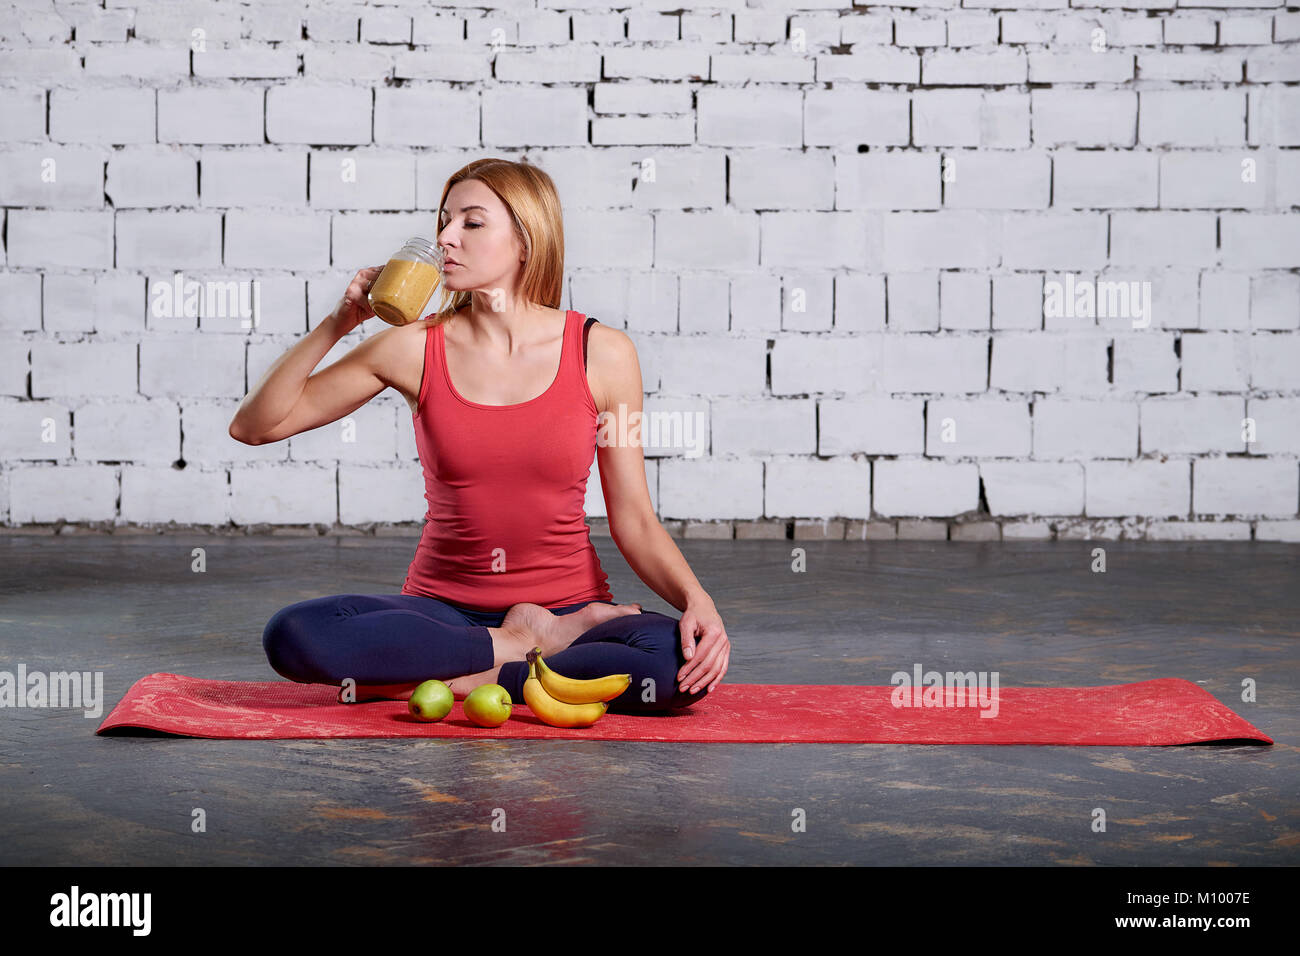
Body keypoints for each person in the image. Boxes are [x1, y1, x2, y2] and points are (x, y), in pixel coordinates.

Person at [230, 158, 731, 714]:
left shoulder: (604, 353)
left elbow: (633, 516)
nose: (444, 238)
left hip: (571, 611)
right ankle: (514, 653)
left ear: (525, 240)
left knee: (675, 668)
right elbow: (256, 426)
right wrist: (339, 323)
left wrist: (697, 600)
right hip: (443, 613)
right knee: (294, 635)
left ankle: (451, 674)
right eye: (445, 220)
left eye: (471, 223)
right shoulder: (414, 346)